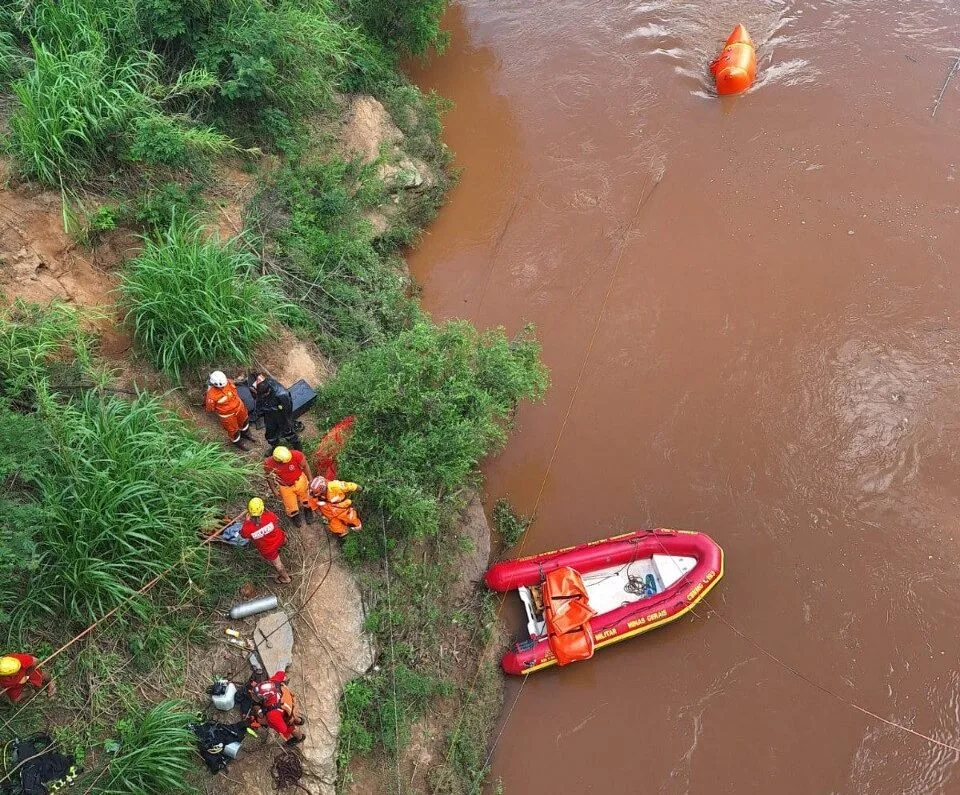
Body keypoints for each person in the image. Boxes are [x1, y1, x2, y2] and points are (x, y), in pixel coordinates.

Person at [239, 498, 291, 584]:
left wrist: (247, 521)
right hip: (279, 538)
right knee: (283, 539)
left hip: (269, 550)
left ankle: (286, 578)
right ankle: (284, 545)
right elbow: (275, 520)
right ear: (262, 509)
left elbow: (243, 535)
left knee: (278, 564)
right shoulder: (270, 516)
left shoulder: (247, 528)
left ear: (249, 511)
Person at [247, 670, 304, 745]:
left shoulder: (272, 715)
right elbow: (281, 673)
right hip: (289, 701)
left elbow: (282, 729)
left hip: (283, 712)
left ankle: (299, 737)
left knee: (290, 726)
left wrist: (268, 721)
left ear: (266, 698)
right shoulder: (273, 682)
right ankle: (300, 720)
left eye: (258, 697)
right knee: (292, 714)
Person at [247, 374, 301, 452]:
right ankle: (274, 447)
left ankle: (298, 449)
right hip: (269, 416)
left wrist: (287, 421)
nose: (263, 396)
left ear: (268, 390)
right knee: (270, 434)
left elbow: (287, 409)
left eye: (264, 395)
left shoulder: (282, 394)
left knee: (288, 432)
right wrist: (256, 415)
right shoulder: (260, 386)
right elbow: (259, 403)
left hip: (282, 415)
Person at [264, 446, 314, 527]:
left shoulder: (296, 455)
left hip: (299, 481)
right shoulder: (268, 463)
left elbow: (305, 466)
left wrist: (310, 479)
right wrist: (274, 490)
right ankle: (295, 515)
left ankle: (308, 510)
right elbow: (269, 477)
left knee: (306, 498)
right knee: (290, 505)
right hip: (285, 487)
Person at [204, 371, 253, 450]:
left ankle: (246, 433)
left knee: (244, 421)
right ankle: (237, 441)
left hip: (239, 407)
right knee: (233, 430)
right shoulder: (211, 395)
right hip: (228, 416)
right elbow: (210, 408)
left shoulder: (228, 382)